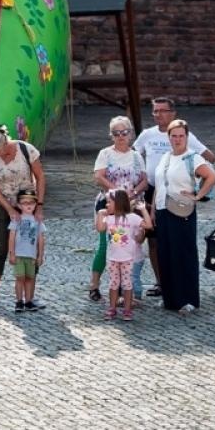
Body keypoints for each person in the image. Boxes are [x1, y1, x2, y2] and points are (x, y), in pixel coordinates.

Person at [133, 97, 213, 296]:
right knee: (156, 241)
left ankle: (183, 288)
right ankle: (162, 283)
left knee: (180, 244)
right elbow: (133, 156)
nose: (159, 115)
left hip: (179, 196)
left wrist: (197, 190)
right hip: (154, 190)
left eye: (163, 110)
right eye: (155, 111)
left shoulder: (185, 135)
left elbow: (209, 158)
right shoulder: (147, 135)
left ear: (173, 113)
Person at [155, 119, 215, 316]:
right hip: (163, 209)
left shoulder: (193, 157)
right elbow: (159, 184)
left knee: (184, 254)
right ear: (169, 138)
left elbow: (211, 176)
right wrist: (153, 209)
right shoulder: (165, 156)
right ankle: (170, 298)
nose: (178, 139)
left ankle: (188, 298)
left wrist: (197, 196)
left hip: (182, 210)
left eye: (181, 135)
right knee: (165, 254)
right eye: (174, 136)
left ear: (187, 137)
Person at [0, 126, 45, 311]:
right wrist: (9, 208)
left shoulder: (26, 149)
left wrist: (39, 205)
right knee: (0, 249)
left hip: (28, 203)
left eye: (0, 152)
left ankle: (29, 297)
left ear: (6, 143)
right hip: (4, 203)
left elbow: (40, 177)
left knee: (31, 248)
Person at [89, 116, 148, 302]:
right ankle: (95, 284)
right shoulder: (106, 154)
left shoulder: (137, 156)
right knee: (107, 245)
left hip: (131, 206)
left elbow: (144, 180)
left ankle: (127, 287)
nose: (121, 136)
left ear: (130, 134)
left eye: (124, 132)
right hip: (111, 203)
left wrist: (134, 193)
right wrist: (117, 192)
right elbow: (99, 176)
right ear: (111, 135)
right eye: (116, 133)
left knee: (129, 246)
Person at [95, 188, 146, 321]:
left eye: (109, 202)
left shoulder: (133, 218)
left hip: (128, 258)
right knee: (113, 283)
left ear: (118, 203)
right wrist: (100, 215)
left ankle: (127, 310)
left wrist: (144, 210)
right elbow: (100, 228)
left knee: (127, 284)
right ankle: (112, 308)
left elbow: (148, 225)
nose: (106, 205)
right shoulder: (109, 219)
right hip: (112, 258)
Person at [8, 190, 45, 313]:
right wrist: (11, 253)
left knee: (29, 278)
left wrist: (40, 255)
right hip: (19, 254)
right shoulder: (17, 219)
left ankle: (28, 301)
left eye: (31, 202)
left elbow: (40, 238)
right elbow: (12, 236)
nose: (28, 205)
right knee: (20, 278)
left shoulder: (37, 220)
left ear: (35, 205)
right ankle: (19, 301)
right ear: (19, 205)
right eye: (24, 203)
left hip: (31, 255)